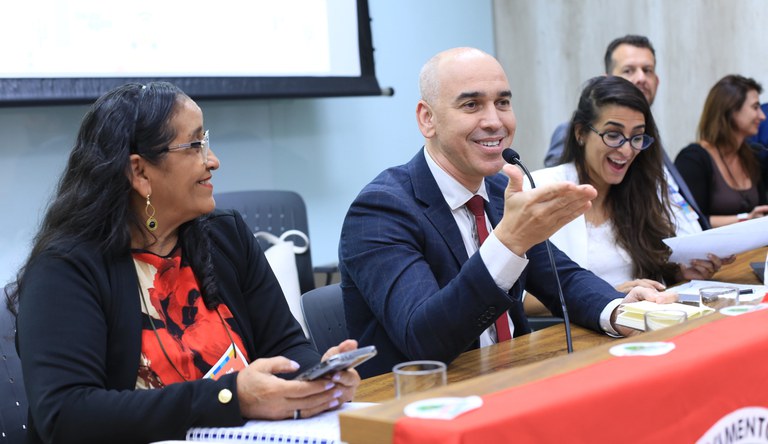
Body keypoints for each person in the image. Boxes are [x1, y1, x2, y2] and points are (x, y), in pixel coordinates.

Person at [9, 82, 360, 444]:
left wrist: (317, 378)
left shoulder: (226, 237)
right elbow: (66, 415)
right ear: (140, 173)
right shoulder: (65, 269)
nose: (213, 160)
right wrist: (230, 398)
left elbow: (287, 346)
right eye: (195, 146)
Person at [338, 47, 676, 378]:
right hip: (425, 407)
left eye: (503, 102)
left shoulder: (499, 191)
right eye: (471, 104)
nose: (494, 121)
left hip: (512, 380)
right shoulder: (381, 210)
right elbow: (425, 340)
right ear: (428, 119)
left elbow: (564, 279)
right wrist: (508, 242)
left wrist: (620, 310)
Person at [530, 76, 728, 294]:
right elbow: (524, 296)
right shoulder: (542, 188)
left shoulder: (641, 189)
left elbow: (650, 271)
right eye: (613, 135)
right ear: (580, 133)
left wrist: (680, 275)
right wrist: (612, 293)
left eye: (637, 137)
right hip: (579, 326)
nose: (626, 151)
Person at [543, 35, 710, 233]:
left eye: (647, 70)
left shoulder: (647, 139)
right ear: (606, 81)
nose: (641, 78)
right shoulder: (572, 137)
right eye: (629, 70)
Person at [675, 75, 768, 227]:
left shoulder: (753, 155)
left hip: (755, 250)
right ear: (731, 110)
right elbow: (690, 220)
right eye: (755, 107)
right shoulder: (693, 159)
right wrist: (744, 219)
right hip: (711, 250)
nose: (762, 116)